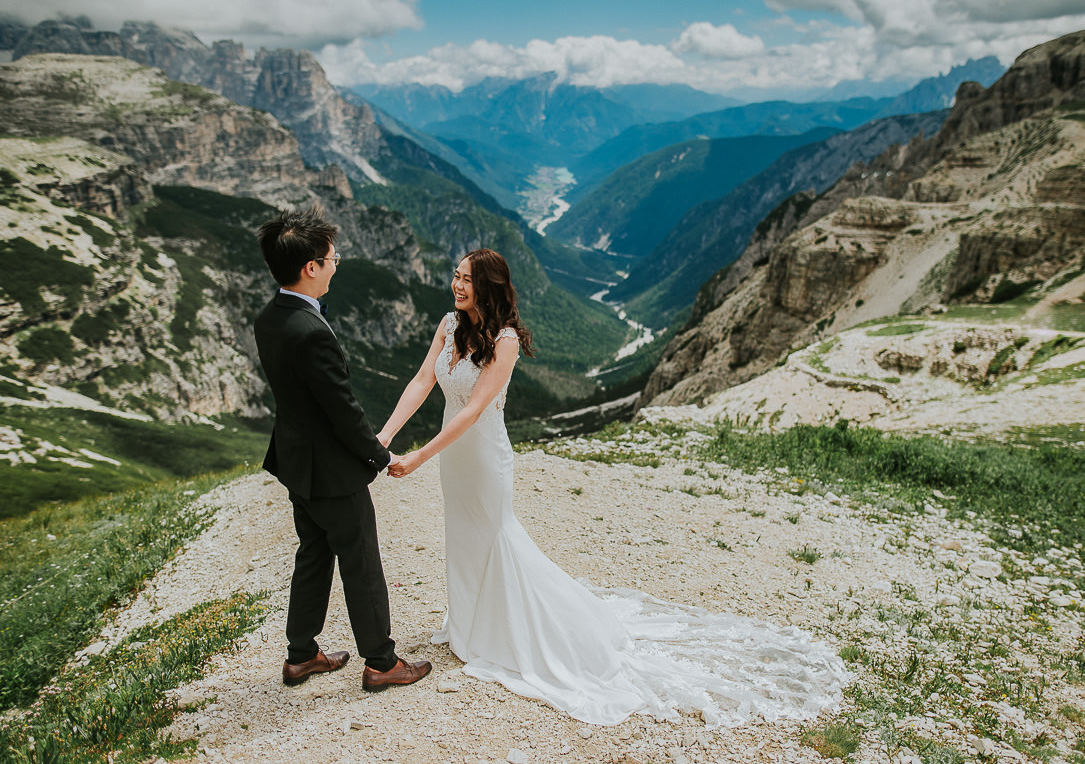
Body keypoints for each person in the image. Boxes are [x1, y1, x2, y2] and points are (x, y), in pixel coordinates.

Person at [379, 248, 850, 726]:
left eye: (467, 279)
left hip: (482, 456)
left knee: (497, 538)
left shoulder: (505, 341)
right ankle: (467, 626)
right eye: (456, 275)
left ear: (490, 286)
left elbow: (473, 410)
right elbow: (421, 382)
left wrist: (418, 456)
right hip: (454, 459)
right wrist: (387, 434)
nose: (457, 285)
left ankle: (513, 633)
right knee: (463, 537)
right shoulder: (447, 325)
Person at [253, 206, 431, 692]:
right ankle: (382, 662)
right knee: (361, 561)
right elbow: (342, 410)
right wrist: (381, 456)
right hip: (331, 470)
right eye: (332, 259)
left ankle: (301, 653)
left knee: (313, 552)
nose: (336, 265)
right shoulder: (311, 333)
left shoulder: (270, 317)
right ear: (310, 267)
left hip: (296, 461)